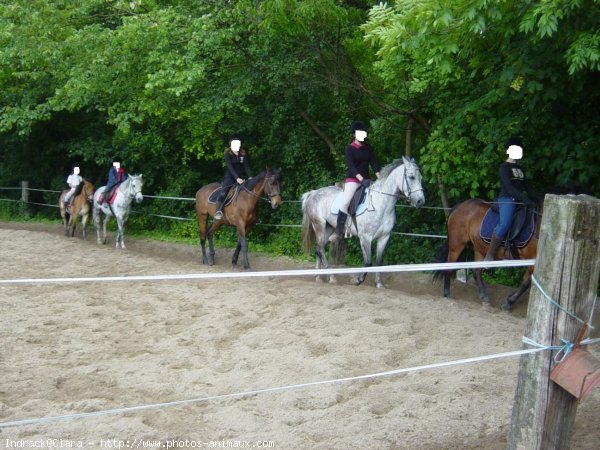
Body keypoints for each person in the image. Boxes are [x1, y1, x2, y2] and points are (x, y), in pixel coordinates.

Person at [484, 136, 537, 261]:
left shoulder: (521, 169)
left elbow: (528, 187)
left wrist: (536, 199)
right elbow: (508, 187)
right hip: (507, 199)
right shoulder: (504, 167)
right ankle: (490, 255)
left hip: (520, 200)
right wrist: (523, 198)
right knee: (505, 224)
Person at [329, 121, 381, 242]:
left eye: (364, 132)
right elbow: (351, 166)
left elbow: (373, 163)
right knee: (346, 202)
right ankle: (338, 231)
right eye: (360, 132)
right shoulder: (349, 149)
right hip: (353, 179)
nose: (363, 134)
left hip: (367, 180)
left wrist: (380, 177)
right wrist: (361, 179)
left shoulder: (368, 148)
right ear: (354, 134)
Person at [214, 135, 252, 220]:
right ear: (231, 144)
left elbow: (246, 166)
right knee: (224, 192)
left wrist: (250, 176)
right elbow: (230, 167)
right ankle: (218, 211)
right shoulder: (228, 154)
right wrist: (237, 178)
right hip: (230, 177)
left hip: (241, 178)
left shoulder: (242, 154)